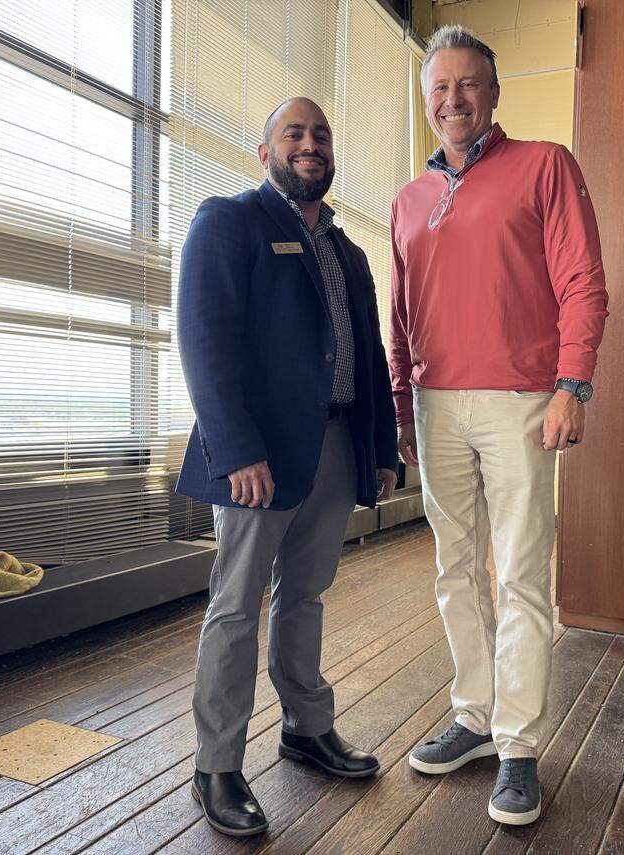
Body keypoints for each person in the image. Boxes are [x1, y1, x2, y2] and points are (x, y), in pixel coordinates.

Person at [389, 25, 609, 826]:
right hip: (435, 401)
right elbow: (402, 315)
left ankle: (517, 745)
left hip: (521, 398)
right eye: (439, 88)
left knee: (519, 572)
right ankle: (474, 718)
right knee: (456, 571)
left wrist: (571, 383)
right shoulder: (408, 199)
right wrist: (398, 404)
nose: (453, 99)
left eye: (467, 84)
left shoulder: (545, 165)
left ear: (493, 91)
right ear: (427, 102)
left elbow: (584, 280)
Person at [175, 96, 400, 837]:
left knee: (305, 598)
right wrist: (236, 448)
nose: (310, 143)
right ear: (264, 151)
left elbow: (369, 358)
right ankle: (217, 766)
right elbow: (205, 341)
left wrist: (380, 450)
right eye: (293, 133)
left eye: (321, 135)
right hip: (258, 459)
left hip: (334, 449)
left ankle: (306, 728)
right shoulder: (229, 221)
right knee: (237, 605)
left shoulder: (347, 252)